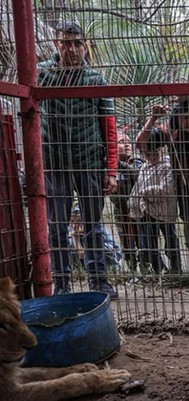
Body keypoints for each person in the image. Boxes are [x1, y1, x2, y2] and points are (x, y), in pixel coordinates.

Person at [39, 21, 118, 298]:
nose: (71, 49)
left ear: (85, 46)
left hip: (89, 163)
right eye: (65, 43)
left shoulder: (95, 80)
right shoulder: (43, 75)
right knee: (57, 227)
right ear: (56, 45)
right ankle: (61, 284)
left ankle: (99, 282)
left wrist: (111, 169)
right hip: (55, 164)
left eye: (77, 43)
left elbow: (109, 126)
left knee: (93, 224)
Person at [137, 97, 189, 276]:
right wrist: (153, 118)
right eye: (185, 117)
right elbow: (141, 143)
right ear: (177, 117)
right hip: (184, 188)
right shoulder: (169, 132)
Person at [129, 127, 181, 275]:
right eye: (148, 154)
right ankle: (160, 270)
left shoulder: (167, 166)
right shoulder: (144, 167)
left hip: (164, 211)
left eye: (154, 153)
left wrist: (145, 192)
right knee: (150, 245)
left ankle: (176, 269)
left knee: (170, 242)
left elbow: (166, 189)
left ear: (161, 150)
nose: (151, 157)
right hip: (148, 212)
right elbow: (138, 188)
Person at [110, 131, 144, 272]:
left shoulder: (136, 161)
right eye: (122, 142)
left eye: (128, 141)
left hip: (137, 210)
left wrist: (117, 164)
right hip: (121, 210)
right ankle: (132, 269)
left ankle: (147, 268)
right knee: (126, 242)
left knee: (142, 241)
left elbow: (137, 174)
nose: (127, 144)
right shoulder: (111, 168)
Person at [68, 204, 122, 274]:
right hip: (80, 265)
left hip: (102, 264)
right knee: (69, 243)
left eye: (79, 221)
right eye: (72, 221)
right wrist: (76, 239)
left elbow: (114, 249)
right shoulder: (69, 229)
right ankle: (77, 271)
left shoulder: (97, 227)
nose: (74, 226)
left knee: (103, 248)